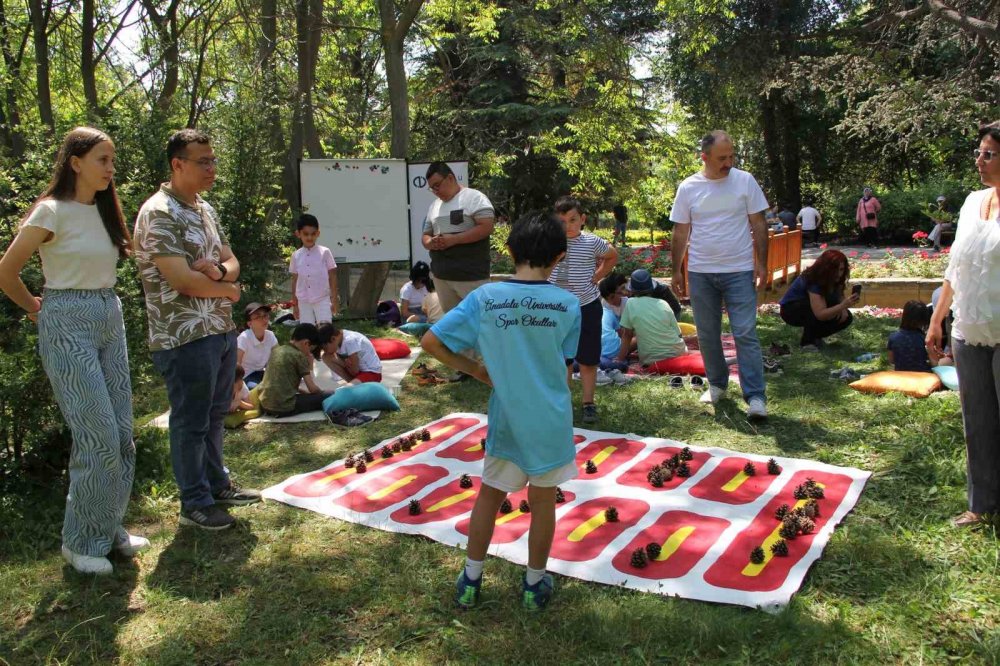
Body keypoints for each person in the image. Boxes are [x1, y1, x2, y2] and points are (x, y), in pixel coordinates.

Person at [0, 127, 147, 574]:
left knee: (121, 434)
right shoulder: (51, 211)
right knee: (97, 435)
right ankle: (80, 542)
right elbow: (6, 271)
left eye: (112, 160)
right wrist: (35, 309)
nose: (110, 168)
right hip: (66, 319)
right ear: (75, 162)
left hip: (108, 316)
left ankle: (107, 527)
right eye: (102, 159)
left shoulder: (104, 212)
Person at [421, 211, 581, 611]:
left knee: (489, 497)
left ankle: (471, 580)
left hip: (507, 421)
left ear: (508, 250)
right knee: (543, 503)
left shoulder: (485, 298)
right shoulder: (569, 304)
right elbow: (564, 366)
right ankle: (533, 586)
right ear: (560, 256)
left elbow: (431, 341)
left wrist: (476, 370)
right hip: (550, 423)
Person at [134, 128, 261, 532]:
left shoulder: (203, 207)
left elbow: (230, 258)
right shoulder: (158, 212)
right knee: (190, 420)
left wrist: (222, 273)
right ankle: (195, 502)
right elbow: (183, 282)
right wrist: (229, 289)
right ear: (177, 164)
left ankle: (217, 485)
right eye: (202, 161)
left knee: (214, 413)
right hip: (182, 336)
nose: (211, 168)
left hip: (218, 330)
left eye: (213, 160)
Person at [927, 120, 1000, 528]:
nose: (979, 161)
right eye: (979, 152)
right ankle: (982, 505)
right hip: (969, 329)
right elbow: (957, 265)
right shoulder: (973, 201)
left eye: (988, 154)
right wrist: (937, 319)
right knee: (978, 422)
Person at [670, 130, 770, 420]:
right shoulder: (688, 187)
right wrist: (676, 270)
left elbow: (758, 224)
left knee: (745, 333)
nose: (729, 162)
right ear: (704, 157)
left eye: (731, 156)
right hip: (701, 272)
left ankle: (756, 398)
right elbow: (681, 231)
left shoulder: (745, 181)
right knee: (708, 334)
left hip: (739, 270)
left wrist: (761, 264)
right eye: (722, 158)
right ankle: (717, 385)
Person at [548, 196, 618, 424]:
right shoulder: (549, 241)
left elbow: (612, 255)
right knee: (562, 358)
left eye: (572, 220)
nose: (567, 226)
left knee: (588, 358)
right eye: (561, 221)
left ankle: (589, 403)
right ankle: (563, 402)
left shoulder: (591, 242)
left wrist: (598, 275)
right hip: (556, 308)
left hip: (587, 306)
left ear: (583, 219)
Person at [421, 162, 495, 315]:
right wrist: (430, 243)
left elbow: (486, 227)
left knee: (480, 320)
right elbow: (425, 235)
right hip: (442, 277)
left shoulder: (474, 197)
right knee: (452, 322)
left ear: (450, 178)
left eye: (437, 185)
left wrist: (454, 240)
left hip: (471, 276)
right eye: (431, 188)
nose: (435, 191)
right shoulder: (434, 206)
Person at [778, 249, 858, 350]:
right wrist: (842, 306)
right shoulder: (814, 279)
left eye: (841, 270)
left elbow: (839, 296)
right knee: (815, 310)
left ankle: (815, 336)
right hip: (791, 310)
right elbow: (820, 314)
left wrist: (843, 308)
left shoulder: (836, 279)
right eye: (835, 270)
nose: (839, 273)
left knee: (846, 317)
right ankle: (807, 342)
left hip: (813, 308)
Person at [256, 323, 332, 416]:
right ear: (306, 343)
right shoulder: (299, 356)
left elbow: (281, 381)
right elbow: (312, 389)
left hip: (265, 405)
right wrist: (321, 394)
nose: (309, 353)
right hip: (284, 408)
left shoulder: (277, 350)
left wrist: (300, 390)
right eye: (311, 350)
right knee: (329, 394)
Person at [616, 269, 687, 368]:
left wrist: (619, 358)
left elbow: (627, 335)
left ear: (632, 289)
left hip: (651, 360)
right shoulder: (663, 303)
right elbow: (678, 334)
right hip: (677, 354)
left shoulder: (630, 303)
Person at [290, 213, 338, 324]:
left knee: (325, 330)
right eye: (306, 234)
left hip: (322, 298)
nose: (309, 237)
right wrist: (295, 304)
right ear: (298, 234)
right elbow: (294, 281)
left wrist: (334, 299)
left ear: (318, 233)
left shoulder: (325, 252)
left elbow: (333, 277)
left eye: (313, 234)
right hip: (303, 300)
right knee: (307, 331)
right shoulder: (296, 255)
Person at [317, 324, 383, 384]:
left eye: (325, 348)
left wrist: (347, 365)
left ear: (333, 339)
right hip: (357, 371)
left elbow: (355, 371)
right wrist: (347, 365)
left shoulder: (349, 341)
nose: (326, 351)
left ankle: (354, 385)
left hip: (371, 373)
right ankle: (352, 383)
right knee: (326, 357)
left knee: (347, 390)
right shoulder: (338, 339)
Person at [237, 302, 278, 388]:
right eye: (258, 317)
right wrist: (238, 384)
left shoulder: (270, 335)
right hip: (246, 377)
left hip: (262, 374)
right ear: (249, 324)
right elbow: (236, 364)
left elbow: (277, 360)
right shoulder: (244, 338)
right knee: (260, 389)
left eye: (265, 315)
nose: (264, 319)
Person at [888, 301, 933, 372]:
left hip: (900, 375)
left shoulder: (893, 337)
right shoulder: (923, 338)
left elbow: (891, 360)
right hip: (922, 376)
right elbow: (933, 360)